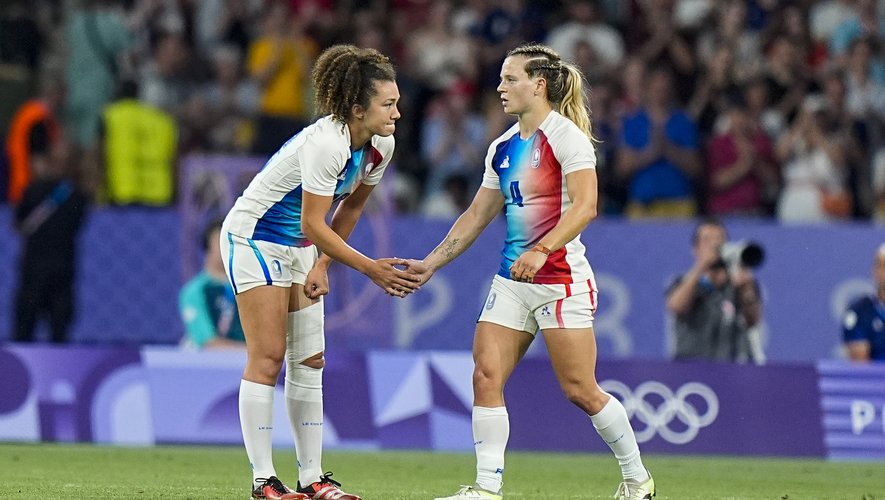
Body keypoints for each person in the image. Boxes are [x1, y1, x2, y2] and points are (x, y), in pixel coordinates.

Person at [406, 43, 654, 500]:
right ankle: (486, 488)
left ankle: (637, 478)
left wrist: (542, 249)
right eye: (501, 79)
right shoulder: (501, 148)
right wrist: (430, 264)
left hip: (560, 280)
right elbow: (476, 216)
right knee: (485, 374)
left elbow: (586, 206)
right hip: (513, 281)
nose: (500, 87)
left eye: (510, 78)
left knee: (581, 390)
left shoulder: (567, 138)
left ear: (539, 85)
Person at [220, 44, 420, 500]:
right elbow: (314, 221)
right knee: (269, 357)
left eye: (397, 103)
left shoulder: (379, 146)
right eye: (388, 105)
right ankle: (264, 481)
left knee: (310, 361)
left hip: (302, 248)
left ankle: (312, 479)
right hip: (255, 238)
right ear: (356, 109)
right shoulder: (327, 145)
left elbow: (348, 210)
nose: (398, 114)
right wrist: (370, 268)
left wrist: (326, 263)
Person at [13, 138, 88, 343]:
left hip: (33, 269)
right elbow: (77, 225)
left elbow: (19, 224)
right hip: (62, 269)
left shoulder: (33, 190)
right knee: (59, 332)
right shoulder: (77, 197)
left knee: (24, 330)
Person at [666, 218, 762, 364]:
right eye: (707, 240)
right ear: (695, 250)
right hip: (691, 368)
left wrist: (746, 287)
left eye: (719, 239)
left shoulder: (740, 283)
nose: (715, 244)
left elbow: (753, 320)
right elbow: (676, 307)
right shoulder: (683, 282)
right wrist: (701, 267)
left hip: (731, 368)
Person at [179, 218, 245, 350]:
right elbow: (208, 343)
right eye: (221, 241)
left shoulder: (247, 287)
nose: (228, 247)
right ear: (207, 246)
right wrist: (254, 354)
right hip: (207, 366)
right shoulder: (194, 291)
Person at [842, 243, 885, 362]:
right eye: (883, 266)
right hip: (875, 379)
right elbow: (860, 364)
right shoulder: (859, 311)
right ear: (875, 271)